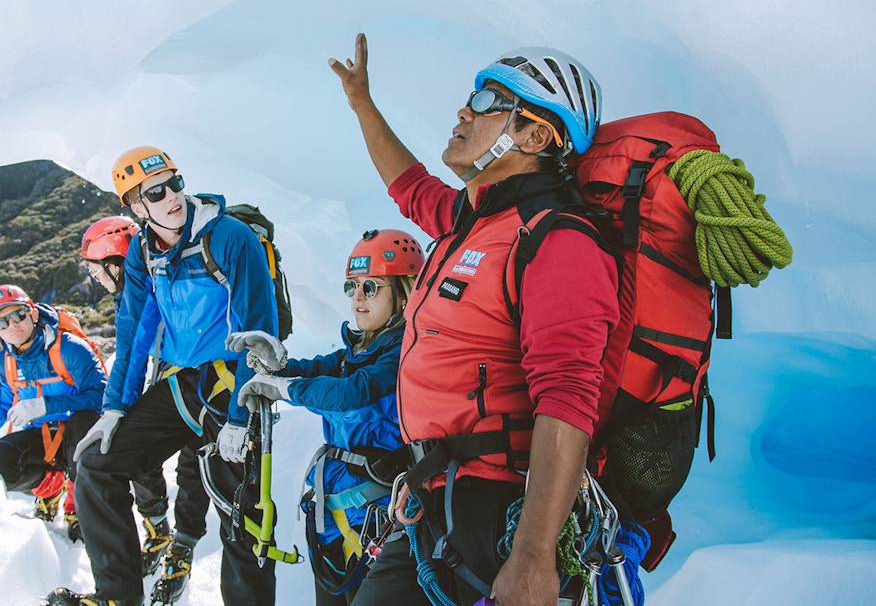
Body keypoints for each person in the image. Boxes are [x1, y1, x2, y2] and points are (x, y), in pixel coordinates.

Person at [328, 35, 619, 606]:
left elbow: (567, 396)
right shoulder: (471, 221)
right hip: (434, 501)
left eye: (490, 101)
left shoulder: (557, 239)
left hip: (495, 515)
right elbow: (408, 186)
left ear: (536, 136)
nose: (466, 110)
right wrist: (362, 103)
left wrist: (534, 555)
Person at [47, 146, 280, 606]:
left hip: (234, 383)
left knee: (241, 515)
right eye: (156, 191)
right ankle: (117, 596)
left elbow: (259, 332)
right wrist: (115, 409)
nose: (172, 196)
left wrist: (239, 416)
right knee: (96, 464)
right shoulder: (143, 252)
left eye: (175, 183)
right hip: (181, 383)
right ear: (135, 206)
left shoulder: (229, 237)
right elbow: (135, 332)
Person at [229, 228, 424, 605]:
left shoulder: (404, 352)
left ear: (404, 293)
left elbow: (351, 396)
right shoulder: (361, 348)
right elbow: (321, 370)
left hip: (378, 524)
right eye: (353, 287)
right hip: (338, 522)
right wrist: (279, 366)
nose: (358, 299)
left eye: (372, 287)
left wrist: (284, 389)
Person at [79, 216, 211, 579]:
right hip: (182, 380)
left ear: (115, 264)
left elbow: (135, 350)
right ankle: (166, 532)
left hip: (193, 383)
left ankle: (176, 539)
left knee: (191, 462)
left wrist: (117, 405)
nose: (96, 279)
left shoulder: (149, 288)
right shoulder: (143, 288)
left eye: (97, 271)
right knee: (169, 456)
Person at [0, 284, 107, 543]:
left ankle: (77, 508)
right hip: (41, 437)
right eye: (2, 321)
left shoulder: (70, 349)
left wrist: (45, 405)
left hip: (79, 431)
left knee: (83, 425)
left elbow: (101, 394)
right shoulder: (2, 365)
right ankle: (51, 488)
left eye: (18, 315)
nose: (13, 325)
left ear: (33, 313)